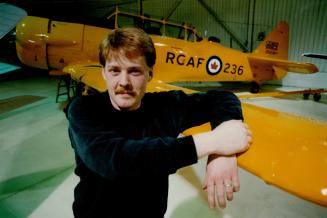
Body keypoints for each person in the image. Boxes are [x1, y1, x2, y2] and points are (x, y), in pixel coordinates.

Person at [67, 27, 252, 218]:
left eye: (135, 71)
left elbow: (224, 98)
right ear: (104, 73)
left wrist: (221, 154)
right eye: (115, 70)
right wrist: (214, 142)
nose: (124, 81)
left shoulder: (164, 106)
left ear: (150, 74)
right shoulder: (84, 110)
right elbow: (115, 161)